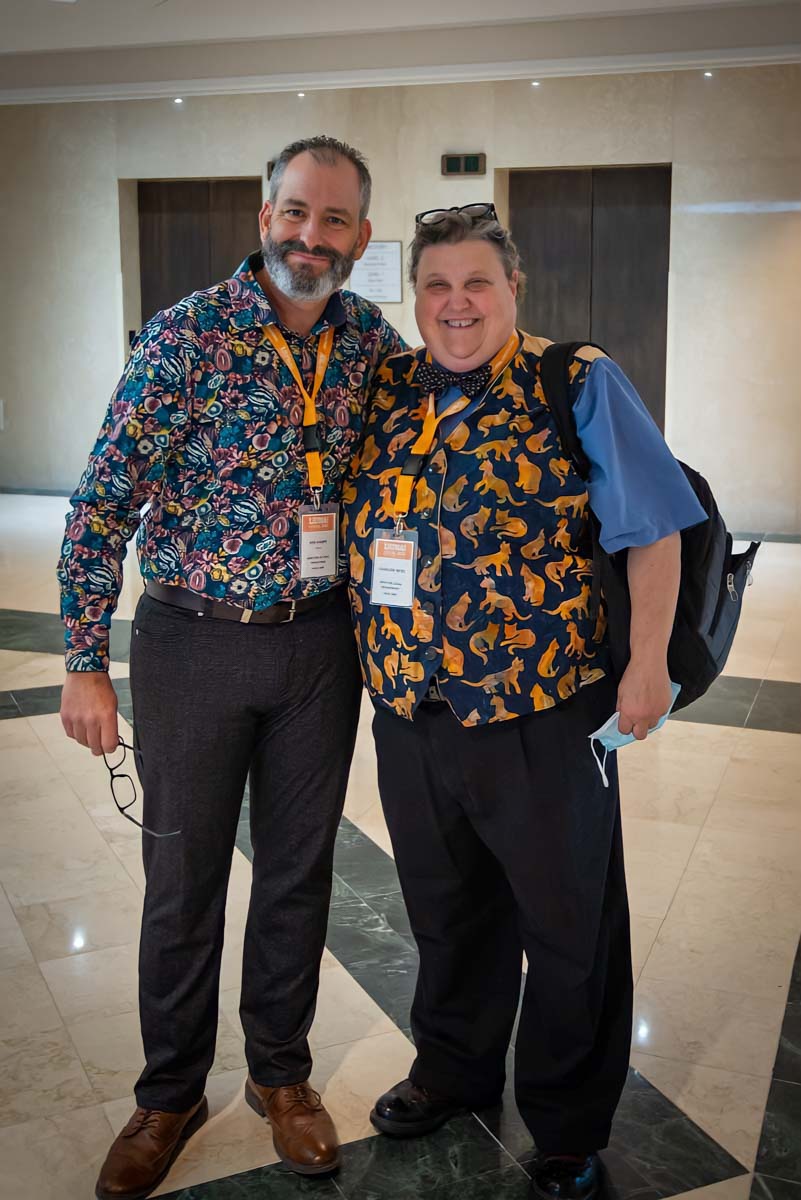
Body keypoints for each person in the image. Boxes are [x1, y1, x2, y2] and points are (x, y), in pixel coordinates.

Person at [57, 135, 404, 1200]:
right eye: (295, 211)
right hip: (192, 640)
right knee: (184, 877)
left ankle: (280, 1077)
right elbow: (101, 500)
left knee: (300, 871)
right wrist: (83, 659)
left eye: (334, 219)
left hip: (317, 644)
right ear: (265, 218)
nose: (311, 235)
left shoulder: (369, 343)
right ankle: (168, 1093)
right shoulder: (187, 335)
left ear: (361, 236)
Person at [343, 204, 706, 1200]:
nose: (455, 304)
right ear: (414, 296)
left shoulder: (573, 379)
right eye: (435, 285)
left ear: (513, 289)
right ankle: (452, 1070)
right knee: (445, 910)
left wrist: (646, 664)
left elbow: (653, 529)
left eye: (477, 283)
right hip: (413, 711)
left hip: (543, 712)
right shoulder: (389, 391)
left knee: (567, 923)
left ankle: (566, 1120)